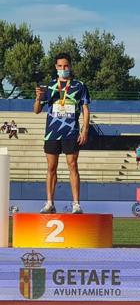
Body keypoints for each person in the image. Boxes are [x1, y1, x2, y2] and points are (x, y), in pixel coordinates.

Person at [34, 52, 90, 214]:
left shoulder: (79, 85)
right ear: (55, 67)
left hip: (71, 132)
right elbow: (37, 111)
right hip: (52, 133)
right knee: (51, 167)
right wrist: (38, 98)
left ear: (70, 66)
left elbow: (85, 109)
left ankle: (76, 204)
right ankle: (50, 202)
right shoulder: (49, 86)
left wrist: (84, 129)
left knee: (73, 165)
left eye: (65, 66)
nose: (63, 69)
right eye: (60, 66)